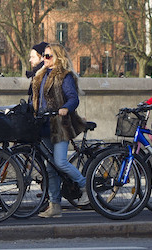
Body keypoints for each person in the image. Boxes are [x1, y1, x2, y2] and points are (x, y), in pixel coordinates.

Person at [31, 43, 89, 218]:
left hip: (59, 125)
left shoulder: (65, 76)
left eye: (48, 56)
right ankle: (54, 204)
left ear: (58, 57)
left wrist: (65, 108)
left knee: (60, 161)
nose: (44, 59)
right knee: (50, 168)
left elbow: (73, 98)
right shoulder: (40, 75)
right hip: (43, 124)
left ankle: (85, 186)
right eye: (43, 56)